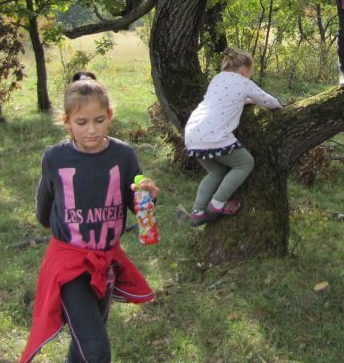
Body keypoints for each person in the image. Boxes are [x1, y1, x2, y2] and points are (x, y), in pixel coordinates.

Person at [20, 71, 157, 363]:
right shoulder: (55, 158)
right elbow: (43, 209)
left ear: (109, 116)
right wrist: (55, 224)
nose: (91, 130)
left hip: (107, 261)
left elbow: (137, 204)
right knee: (95, 350)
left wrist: (147, 195)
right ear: (67, 122)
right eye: (81, 123)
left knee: (84, 345)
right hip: (68, 264)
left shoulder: (123, 155)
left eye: (99, 121)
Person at [185, 47, 283, 227]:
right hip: (214, 135)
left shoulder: (217, 79)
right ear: (245, 70)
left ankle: (198, 212)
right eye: (250, 73)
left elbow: (225, 99)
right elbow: (265, 99)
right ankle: (217, 204)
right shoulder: (243, 82)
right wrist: (278, 107)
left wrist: (246, 100)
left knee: (216, 171)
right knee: (245, 163)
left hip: (193, 133)